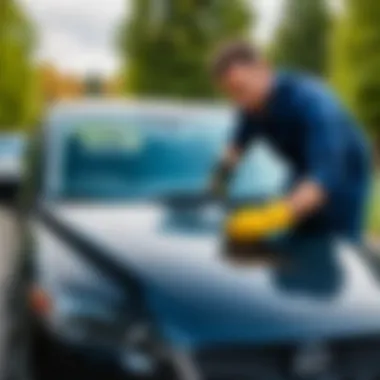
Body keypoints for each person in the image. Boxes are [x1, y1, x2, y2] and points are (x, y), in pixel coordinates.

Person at [211, 41, 371, 243]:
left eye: (240, 89)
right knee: (292, 238)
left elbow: (324, 180)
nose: (237, 101)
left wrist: (268, 218)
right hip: (303, 168)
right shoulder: (251, 106)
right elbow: (234, 150)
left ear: (264, 69)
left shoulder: (312, 102)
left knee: (331, 244)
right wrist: (215, 189)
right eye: (230, 93)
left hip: (344, 173)